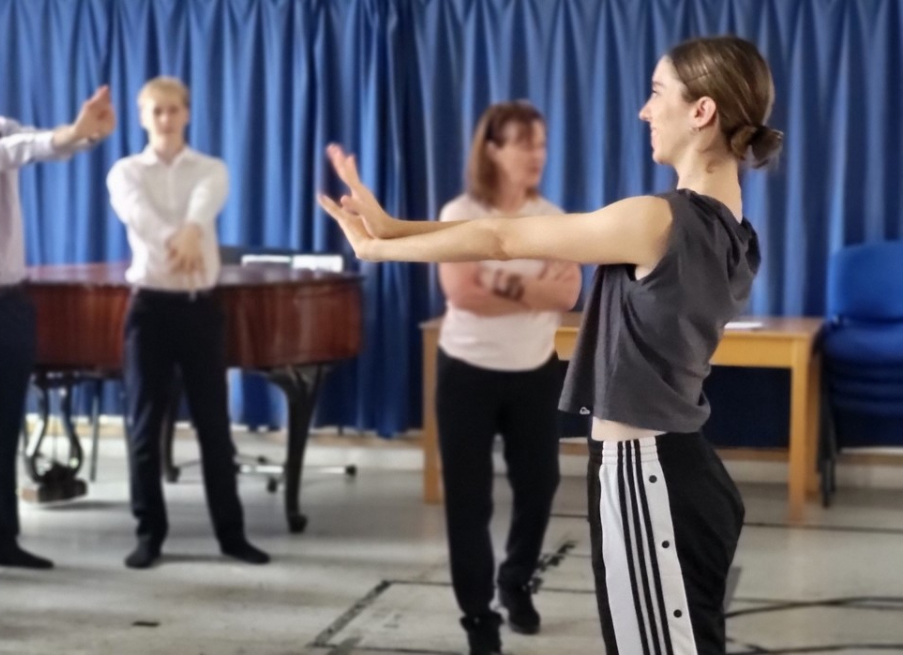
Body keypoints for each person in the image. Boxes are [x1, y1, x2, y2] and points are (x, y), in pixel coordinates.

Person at [319, 35, 782, 655]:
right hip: (680, 472)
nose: (645, 110)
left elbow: (503, 241)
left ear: (702, 111)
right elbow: (504, 231)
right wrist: (396, 227)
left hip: (647, 475)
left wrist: (379, 247)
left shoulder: (659, 219)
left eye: (657, 92)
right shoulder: (733, 227)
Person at [0, 48, 115, 585]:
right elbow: (6, 155)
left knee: (7, 426)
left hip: (12, 300)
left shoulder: (6, 127)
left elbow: (42, 145)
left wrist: (88, 135)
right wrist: (70, 134)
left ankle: (4, 540)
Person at [433, 101, 581, 653]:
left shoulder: (553, 219)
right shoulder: (460, 213)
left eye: (541, 143)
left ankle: (515, 581)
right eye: (523, 143)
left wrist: (499, 280)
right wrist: (531, 287)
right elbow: (462, 294)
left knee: (540, 485)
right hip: (466, 373)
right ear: (493, 150)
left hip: (533, 372)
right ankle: (478, 617)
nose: (536, 154)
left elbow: (568, 294)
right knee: (469, 502)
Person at [106, 76, 268, 570]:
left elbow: (204, 205)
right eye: (156, 111)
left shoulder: (211, 168)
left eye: (173, 109)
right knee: (144, 429)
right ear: (143, 117)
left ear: (187, 114)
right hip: (149, 310)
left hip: (200, 310)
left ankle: (232, 536)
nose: (165, 119)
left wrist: (194, 231)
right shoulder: (125, 171)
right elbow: (138, 215)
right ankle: (149, 536)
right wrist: (178, 241)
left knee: (214, 427)